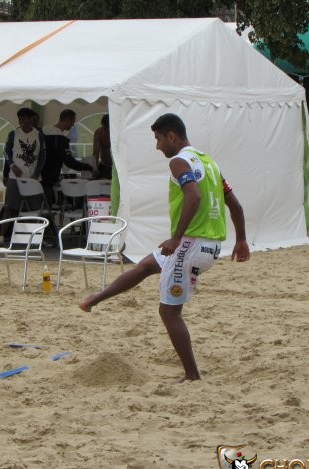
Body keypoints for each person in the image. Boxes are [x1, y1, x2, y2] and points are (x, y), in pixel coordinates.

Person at [79, 113, 250, 382]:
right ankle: (94, 299)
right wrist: (241, 240)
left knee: (168, 312)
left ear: (171, 136)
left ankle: (192, 375)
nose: (157, 146)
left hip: (191, 244)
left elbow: (192, 196)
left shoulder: (179, 161)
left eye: (158, 139)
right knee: (147, 265)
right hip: (211, 245)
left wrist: (176, 238)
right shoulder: (210, 163)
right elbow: (236, 206)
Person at [1, 107, 46, 236]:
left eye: (25, 119)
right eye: (20, 120)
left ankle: (33, 236)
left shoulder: (38, 135)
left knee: (34, 210)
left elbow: (43, 156)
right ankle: (2, 235)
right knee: (9, 207)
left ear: (31, 120)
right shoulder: (14, 134)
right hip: (14, 177)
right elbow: (6, 151)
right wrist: (12, 165)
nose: (22, 122)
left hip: (32, 178)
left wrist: (36, 173)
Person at [40, 109, 93, 207]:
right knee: (47, 208)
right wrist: (89, 167)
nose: (73, 126)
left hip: (36, 177)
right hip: (49, 179)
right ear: (68, 120)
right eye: (72, 122)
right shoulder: (60, 139)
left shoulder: (41, 132)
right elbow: (69, 162)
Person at [93, 114, 113, 180]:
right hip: (104, 164)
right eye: (103, 128)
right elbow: (96, 153)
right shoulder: (99, 133)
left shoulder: (119, 133)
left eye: (106, 129)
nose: (104, 131)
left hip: (117, 166)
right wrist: (96, 167)